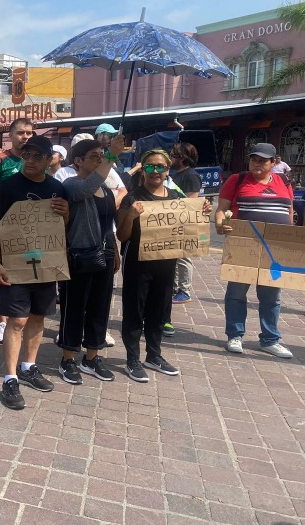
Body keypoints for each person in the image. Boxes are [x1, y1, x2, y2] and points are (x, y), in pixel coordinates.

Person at [0, 135, 68, 410]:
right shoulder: (7, 187)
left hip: (45, 265)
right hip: (14, 265)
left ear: (50, 160)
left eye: (37, 156)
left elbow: (62, 228)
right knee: (17, 321)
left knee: (37, 317)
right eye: (27, 155)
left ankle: (29, 366)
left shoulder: (57, 188)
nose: (31, 160)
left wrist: (66, 212)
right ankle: (10, 378)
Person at [116, 149, 209, 382]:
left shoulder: (176, 199)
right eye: (149, 167)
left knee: (159, 310)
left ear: (168, 170)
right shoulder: (133, 198)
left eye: (160, 167)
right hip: (137, 262)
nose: (155, 171)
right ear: (143, 170)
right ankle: (133, 359)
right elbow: (122, 235)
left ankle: (154, 355)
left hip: (166, 264)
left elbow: (190, 230)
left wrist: (202, 212)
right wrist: (131, 216)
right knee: (135, 310)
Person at [215, 143, 294, 358]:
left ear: (274, 162)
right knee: (237, 293)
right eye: (254, 159)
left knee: (271, 296)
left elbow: (289, 212)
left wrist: (293, 241)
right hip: (244, 245)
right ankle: (235, 335)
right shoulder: (237, 180)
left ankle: (270, 340)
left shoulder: (284, 181)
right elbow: (221, 210)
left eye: (262, 160)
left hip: (274, 249)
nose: (257, 163)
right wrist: (220, 225)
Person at [58, 136, 124, 385]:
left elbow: (109, 224)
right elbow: (87, 188)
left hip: (104, 254)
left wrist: (114, 249)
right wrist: (111, 156)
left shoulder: (106, 190)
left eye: (102, 155)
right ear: (78, 161)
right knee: (74, 307)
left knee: (100, 307)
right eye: (94, 156)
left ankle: (92, 356)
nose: (100, 159)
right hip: (79, 255)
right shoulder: (73, 184)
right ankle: (68, 358)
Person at [0, 117, 34, 343]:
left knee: (30, 273)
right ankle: (2, 322)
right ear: (11, 136)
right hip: (4, 229)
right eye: (21, 133)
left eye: (29, 133)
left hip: (31, 230)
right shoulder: (0, 161)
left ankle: (23, 319)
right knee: (4, 275)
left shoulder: (36, 160)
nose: (25, 137)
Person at [169, 142, 202, 305]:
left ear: (182, 158)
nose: (170, 158)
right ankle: (174, 287)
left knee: (183, 257)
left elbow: (191, 200)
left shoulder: (191, 175)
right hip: (173, 221)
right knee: (174, 256)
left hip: (184, 221)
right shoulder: (176, 174)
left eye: (173, 155)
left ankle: (185, 290)